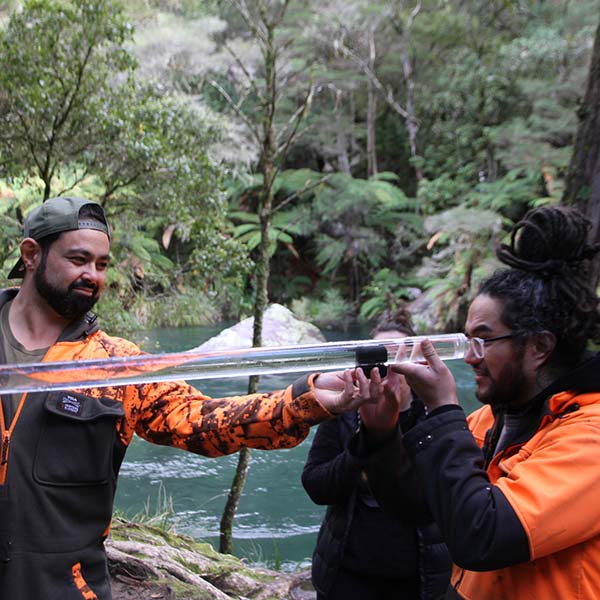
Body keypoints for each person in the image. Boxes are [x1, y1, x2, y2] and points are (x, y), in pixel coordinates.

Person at [0, 196, 375, 600]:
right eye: (79, 260)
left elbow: (201, 419)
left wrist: (305, 399)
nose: (93, 275)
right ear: (32, 254)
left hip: (66, 588)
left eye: (102, 264)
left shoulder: (116, 365)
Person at [358, 205, 600, 600]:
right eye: (468, 339)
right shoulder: (492, 418)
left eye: (483, 340)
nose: (470, 356)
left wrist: (442, 410)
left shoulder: (591, 435)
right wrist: (383, 431)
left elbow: (483, 537)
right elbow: (417, 507)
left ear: (539, 345)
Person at [302, 308, 451, 600]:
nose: (386, 371)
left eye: (398, 361)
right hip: (347, 575)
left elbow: (446, 498)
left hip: (419, 579)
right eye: (378, 361)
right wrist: (365, 442)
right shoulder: (345, 414)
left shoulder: (438, 415)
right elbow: (316, 486)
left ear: (418, 365)